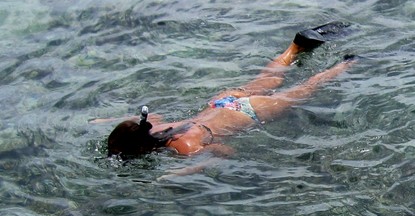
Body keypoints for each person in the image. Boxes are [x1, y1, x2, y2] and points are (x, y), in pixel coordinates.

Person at [104, 21, 355, 159]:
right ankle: (294, 47)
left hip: (247, 113)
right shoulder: (155, 127)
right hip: (222, 102)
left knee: (306, 88)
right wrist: (106, 120)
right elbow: (151, 117)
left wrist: (181, 172)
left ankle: (350, 62)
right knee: (268, 77)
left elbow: (224, 150)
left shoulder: (183, 146)